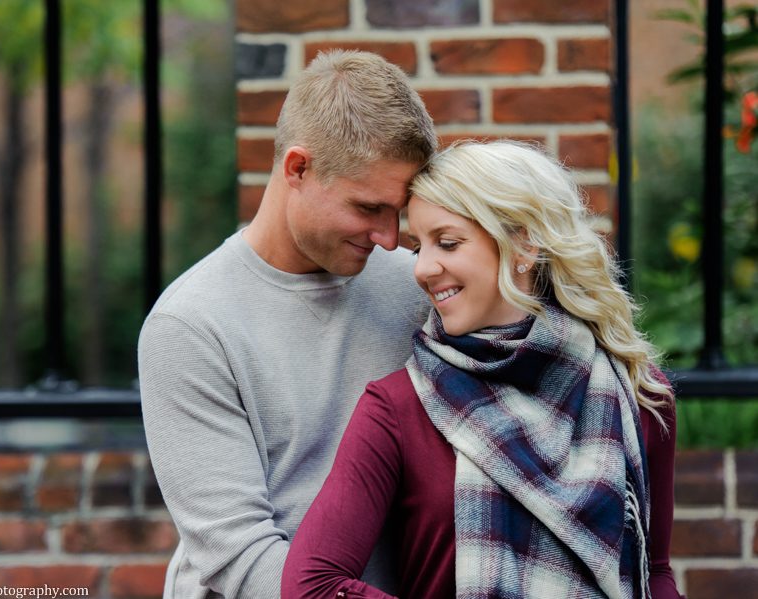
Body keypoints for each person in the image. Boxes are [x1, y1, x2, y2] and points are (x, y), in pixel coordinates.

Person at [282, 141, 682, 599]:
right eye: (419, 247)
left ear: (522, 245)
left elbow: (655, 571)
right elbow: (312, 585)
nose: (424, 268)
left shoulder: (639, 394)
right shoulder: (399, 408)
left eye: (447, 242)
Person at [138, 50, 438, 598]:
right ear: (297, 168)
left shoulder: (418, 287)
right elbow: (239, 557)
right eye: (368, 207)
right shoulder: (191, 323)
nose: (391, 238)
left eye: (399, 210)